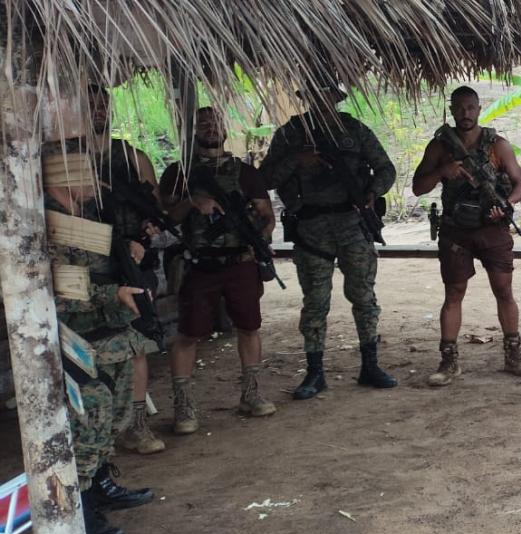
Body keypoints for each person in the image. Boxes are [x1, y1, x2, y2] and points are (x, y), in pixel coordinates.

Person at [44, 144, 155, 534]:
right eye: (87, 173)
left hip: (102, 333)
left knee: (114, 409)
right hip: (66, 338)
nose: (98, 179)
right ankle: (78, 506)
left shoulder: (84, 216)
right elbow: (52, 294)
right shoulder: (45, 224)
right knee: (90, 413)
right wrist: (112, 295)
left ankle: (99, 482)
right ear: (64, 179)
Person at [259, 84, 397, 397]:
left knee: (363, 297)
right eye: (316, 96)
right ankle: (315, 373)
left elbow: (386, 169)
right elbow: (265, 178)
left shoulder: (354, 130)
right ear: (308, 99)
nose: (323, 103)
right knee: (315, 303)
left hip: (352, 223)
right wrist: (297, 160)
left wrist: (372, 194)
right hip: (311, 228)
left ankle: (370, 365)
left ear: (335, 99)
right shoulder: (290, 134)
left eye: (328, 97)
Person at [159, 107, 277, 432]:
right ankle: (183, 406)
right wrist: (192, 202)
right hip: (200, 264)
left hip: (240, 262)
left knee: (249, 327)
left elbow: (267, 217)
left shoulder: (245, 173)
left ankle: (250, 394)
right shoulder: (178, 173)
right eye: (204, 123)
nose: (211, 128)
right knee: (188, 334)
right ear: (192, 130)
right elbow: (164, 219)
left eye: (217, 122)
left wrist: (259, 238)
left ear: (226, 128)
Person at [412, 85, 521, 384]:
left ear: (479, 109)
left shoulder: (498, 145)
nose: (465, 113)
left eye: (470, 107)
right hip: (456, 231)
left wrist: (506, 204)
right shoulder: (440, 147)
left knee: (504, 291)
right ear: (451, 110)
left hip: (493, 229)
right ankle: (449, 362)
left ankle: (513, 355)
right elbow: (418, 187)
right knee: (453, 293)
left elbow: (520, 185)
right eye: (459, 108)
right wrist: (444, 170)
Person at [88, 84, 167, 455]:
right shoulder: (65, 160)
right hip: (86, 266)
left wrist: (142, 239)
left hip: (129, 262)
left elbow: (155, 214)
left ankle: (135, 425)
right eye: (91, 105)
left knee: (137, 344)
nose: (99, 110)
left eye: (104, 103)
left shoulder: (132, 157)